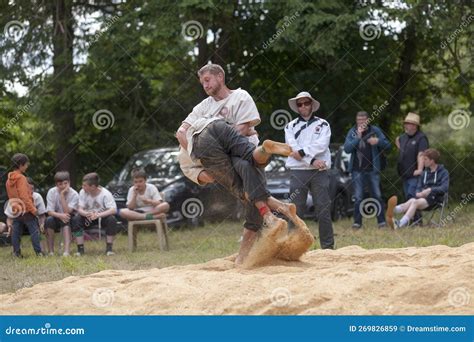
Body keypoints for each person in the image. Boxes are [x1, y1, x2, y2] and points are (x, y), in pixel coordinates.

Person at [284, 91, 334, 249]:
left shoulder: (323, 124)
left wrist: (303, 154)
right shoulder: (289, 126)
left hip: (319, 172)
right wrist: (312, 160)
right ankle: (293, 247)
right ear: (297, 107)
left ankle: (328, 247)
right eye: (300, 104)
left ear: (312, 104)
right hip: (298, 171)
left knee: (323, 210)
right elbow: (293, 148)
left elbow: (322, 145)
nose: (303, 106)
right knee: (295, 211)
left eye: (306, 103)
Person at [343, 111, 391, 229]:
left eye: (364, 120)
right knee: (358, 197)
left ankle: (381, 222)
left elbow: (388, 146)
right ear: (356, 120)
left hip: (372, 170)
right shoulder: (353, 132)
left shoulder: (375, 131)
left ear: (368, 121)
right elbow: (347, 149)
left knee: (377, 196)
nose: (361, 123)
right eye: (359, 120)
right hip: (357, 170)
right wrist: (357, 138)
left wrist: (378, 141)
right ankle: (357, 223)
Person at [386, 148, 448, 229]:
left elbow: (444, 188)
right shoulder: (424, 173)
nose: (423, 161)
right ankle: (395, 209)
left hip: (436, 199)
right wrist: (419, 193)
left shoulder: (443, 172)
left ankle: (400, 223)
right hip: (423, 198)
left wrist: (430, 190)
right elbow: (419, 186)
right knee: (413, 200)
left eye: (425, 159)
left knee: (414, 202)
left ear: (432, 161)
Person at [5, 153, 44, 257]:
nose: (27, 166)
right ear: (21, 165)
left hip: (16, 210)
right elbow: (24, 197)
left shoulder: (8, 180)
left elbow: (11, 197)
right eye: (26, 164)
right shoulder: (21, 178)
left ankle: (16, 253)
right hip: (26, 210)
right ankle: (39, 252)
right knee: (34, 231)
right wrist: (33, 209)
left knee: (16, 233)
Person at [71, 172, 119, 256]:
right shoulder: (82, 192)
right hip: (88, 217)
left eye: (85, 185)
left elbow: (113, 210)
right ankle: (80, 250)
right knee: (76, 219)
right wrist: (86, 214)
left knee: (112, 220)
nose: (83, 187)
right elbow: (79, 209)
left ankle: (109, 249)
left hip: (102, 217)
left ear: (92, 187)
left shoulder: (105, 194)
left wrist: (98, 215)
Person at [395, 112, 429, 223]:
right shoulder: (402, 137)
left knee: (412, 195)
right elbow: (400, 148)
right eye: (406, 123)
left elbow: (421, 154)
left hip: (414, 174)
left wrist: (419, 169)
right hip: (404, 173)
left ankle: (416, 221)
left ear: (415, 126)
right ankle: (413, 220)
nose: (406, 125)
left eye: (409, 124)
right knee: (407, 196)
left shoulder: (421, 138)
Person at [45, 171, 79, 256]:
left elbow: (67, 212)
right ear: (56, 184)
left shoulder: (74, 194)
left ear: (69, 183)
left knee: (66, 219)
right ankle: (51, 251)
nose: (63, 186)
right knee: (49, 220)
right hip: (56, 216)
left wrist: (62, 196)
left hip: (70, 217)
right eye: (60, 184)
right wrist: (60, 215)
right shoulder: (51, 192)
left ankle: (66, 251)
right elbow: (49, 211)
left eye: (65, 183)